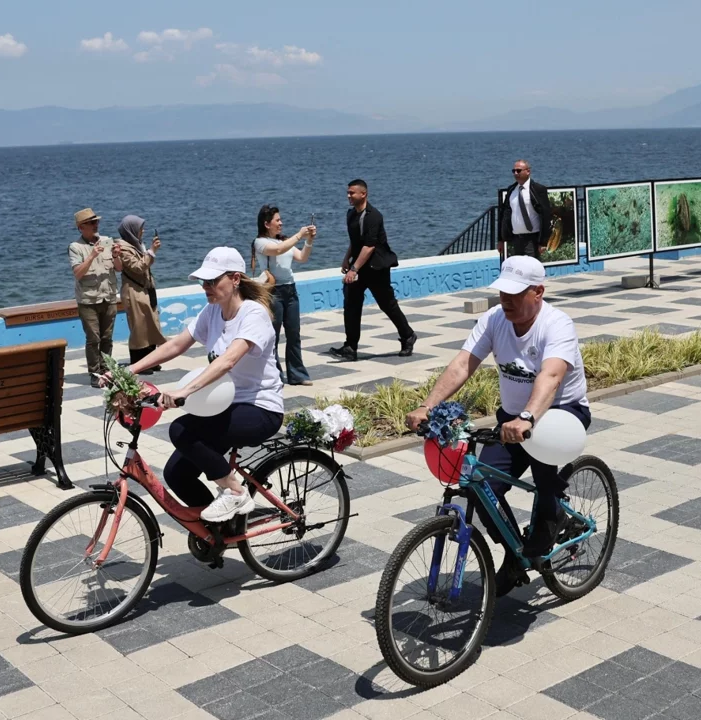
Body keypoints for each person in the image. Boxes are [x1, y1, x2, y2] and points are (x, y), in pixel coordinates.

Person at [405, 256, 590, 595]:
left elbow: (551, 376)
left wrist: (528, 418)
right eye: (503, 292)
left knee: (544, 484)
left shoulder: (557, 324)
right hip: (513, 419)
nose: (506, 300)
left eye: (515, 294)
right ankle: (515, 555)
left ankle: (555, 515)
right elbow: (463, 363)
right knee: (481, 486)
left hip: (560, 414)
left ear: (538, 292)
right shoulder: (494, 319)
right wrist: (427, 406)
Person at [118, 247, 284, 521]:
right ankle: (221, 532)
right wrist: (128, 370)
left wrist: (184, 391)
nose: (206, 287)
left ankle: (235, 492)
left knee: (182, 430)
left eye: (212, 281)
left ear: (235, 279)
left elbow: (228, 360)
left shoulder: (253, 314)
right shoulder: (213, 311)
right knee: (176, 474)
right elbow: (176, 345)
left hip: (260, 408)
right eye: (203, 281)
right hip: (226, 407)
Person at [329, 180, 417, 362]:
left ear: (363, 194)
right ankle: (350, 347)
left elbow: (369, 246)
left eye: (352, 193)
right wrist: (346, 259)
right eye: (347, 192)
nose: (348, 196)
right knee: (351, 304)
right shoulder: (351, 215)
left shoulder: (374, 216)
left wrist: (354, 269)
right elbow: (355, 241)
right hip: (359, 266)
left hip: (376, 268)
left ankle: (408, 335)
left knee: (387, 304)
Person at [252, 205, 315, 386]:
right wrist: (299, 235)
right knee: (273, 336)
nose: (281, 223)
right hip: (274, 292)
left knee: (294, 334)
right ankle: (273, 375)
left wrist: (308, 241)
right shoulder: (260, 242)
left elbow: (302, 257)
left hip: (290, 290)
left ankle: (297, 375)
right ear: (267, 224)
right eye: (277, 220)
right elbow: (277, 250)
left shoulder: (285, 241)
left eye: (280, 220)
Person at [69, 208, 119, 386]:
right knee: (93, 339)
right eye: (91, 223)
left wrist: (116, 255)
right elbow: (78, 273)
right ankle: (95, 373)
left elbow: (118, 268)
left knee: (107, 337)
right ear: (81, 227)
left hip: (108, 297)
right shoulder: (75, 247)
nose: (96, 225)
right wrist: (92, 256)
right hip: (88, 300)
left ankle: (107, 370)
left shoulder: (107, 241)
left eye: (96, 221)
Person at [112, 216, 167, 374]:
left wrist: (149, 252)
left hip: (146, 289)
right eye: (140, 228)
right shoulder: (123, 248)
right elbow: (138, 267)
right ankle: (138, 363)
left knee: (151, 324)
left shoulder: (136, 245)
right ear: (131, 230)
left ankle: (151, 361)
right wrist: (152, 251)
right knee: (139, 328)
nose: (143, 231)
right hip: (134, 291)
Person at [498, 160, 552, 259]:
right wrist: (501, 240)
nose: (515, 173)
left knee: (531, 267)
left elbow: (546, 216)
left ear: (528, 171)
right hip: (516, 238)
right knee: (518, 267)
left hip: (532, 239)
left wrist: (543, 242)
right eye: (514, 171)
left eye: (518, 171)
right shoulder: (511, 190)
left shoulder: (538, 189)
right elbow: (504, 215)